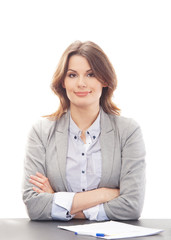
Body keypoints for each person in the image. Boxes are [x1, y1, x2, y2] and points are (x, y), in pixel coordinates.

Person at [22, 40, 146, 221]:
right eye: (72, 75)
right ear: (63, 82)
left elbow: (131, 206)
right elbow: (34, 206)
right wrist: (104, 194)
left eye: (91, 74)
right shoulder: (41, 132)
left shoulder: (128, 131)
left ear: (105, 80)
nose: (81, 83)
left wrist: (59, 201)